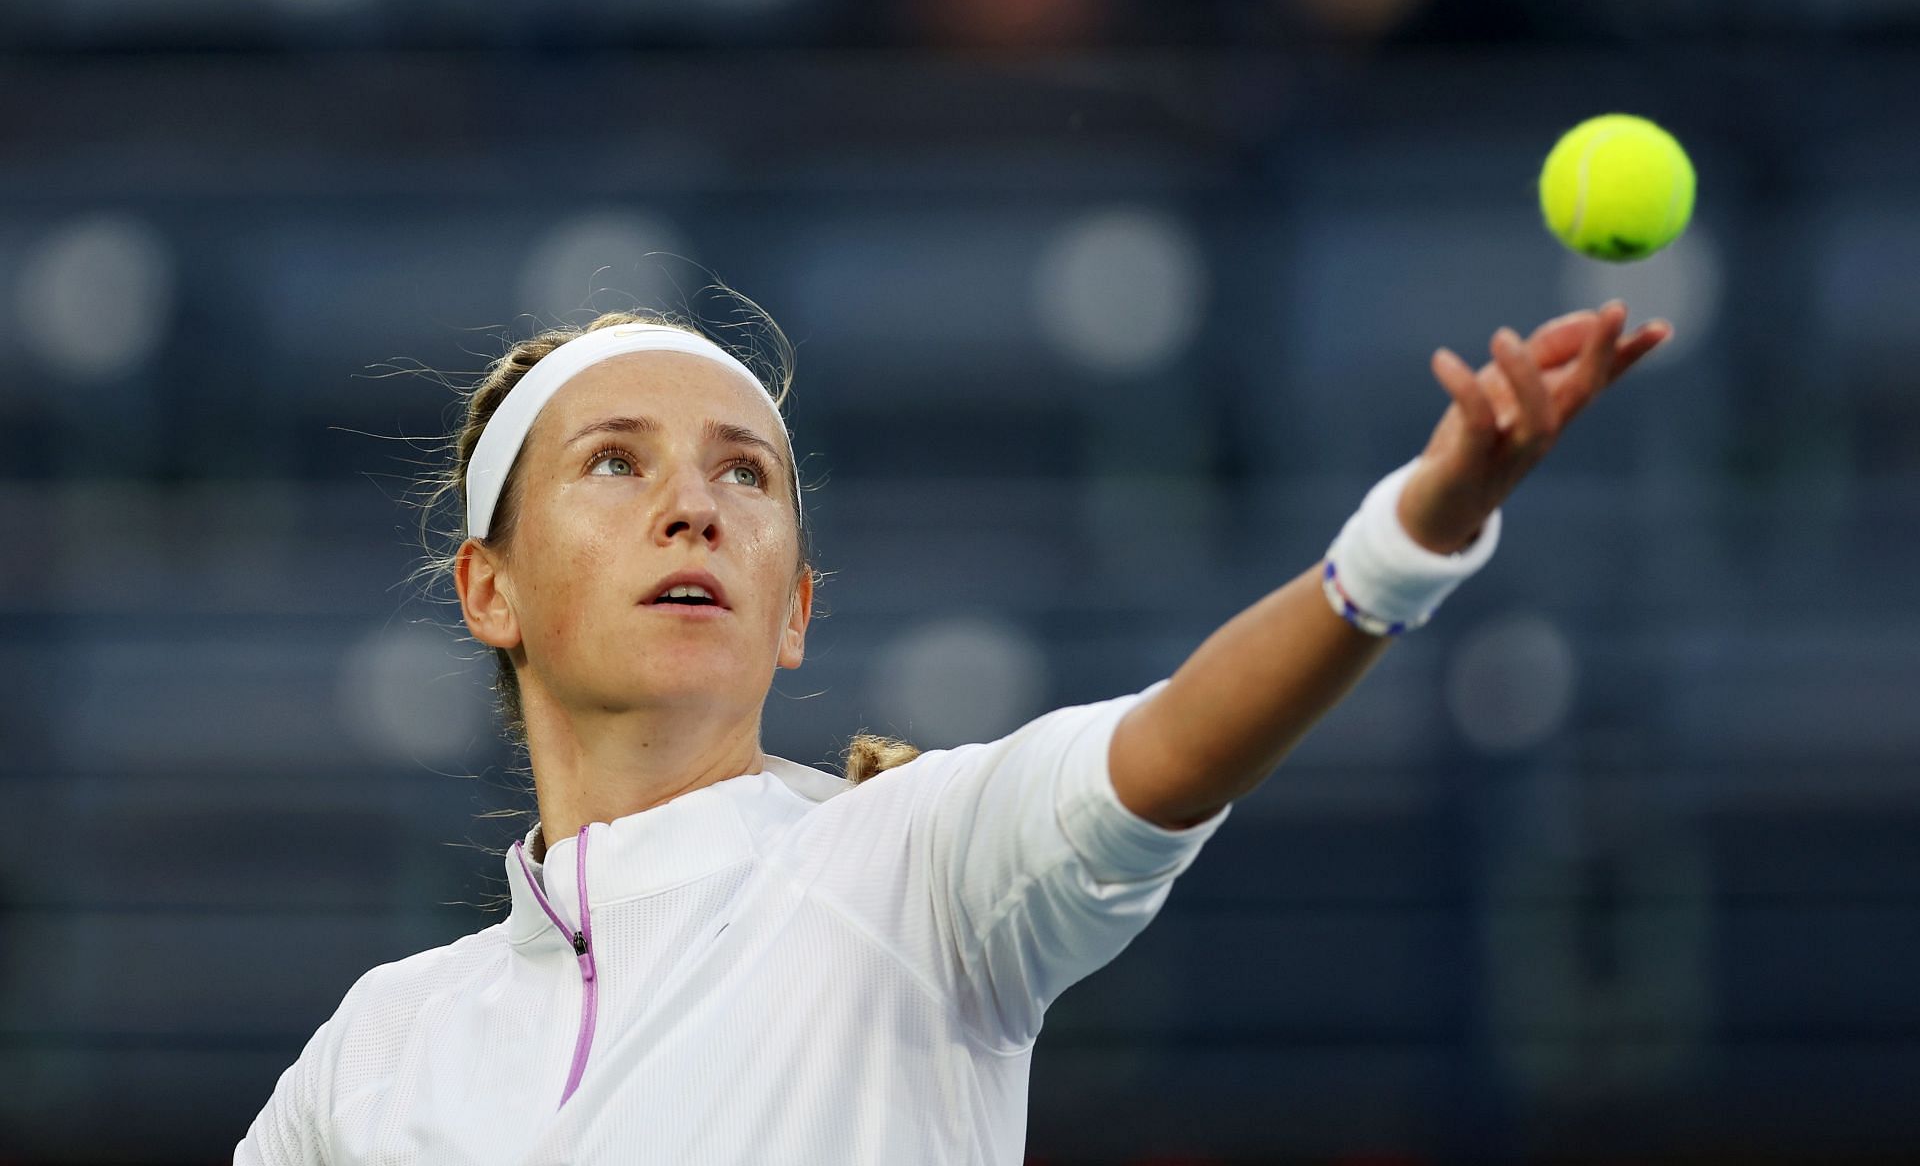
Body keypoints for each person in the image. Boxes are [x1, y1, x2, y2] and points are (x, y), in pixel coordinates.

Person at [234, 296, 1669, 1164]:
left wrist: (1416, 535)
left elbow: (1172, 747)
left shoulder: (910, 872)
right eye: (615, 464)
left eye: (746, 476)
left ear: (794, 612)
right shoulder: (380, 1047)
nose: (694, 507)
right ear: (490, 587)